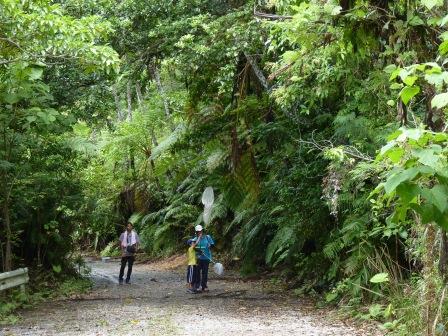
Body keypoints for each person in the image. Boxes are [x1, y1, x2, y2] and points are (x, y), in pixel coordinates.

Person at [192, 224, 215, 292]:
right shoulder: (195, 239)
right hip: (198, 258)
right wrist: (199, 251)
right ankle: (197, 286)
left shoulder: (208, 237)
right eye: (198, 231)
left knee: (205, 273)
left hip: (206, 258)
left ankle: (204, 286)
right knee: (197, 273)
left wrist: (209, 245)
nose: (199, 232)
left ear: (202, 230)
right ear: (196, 232)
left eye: (200, 231)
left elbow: (212, 245)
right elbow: (193, 248)